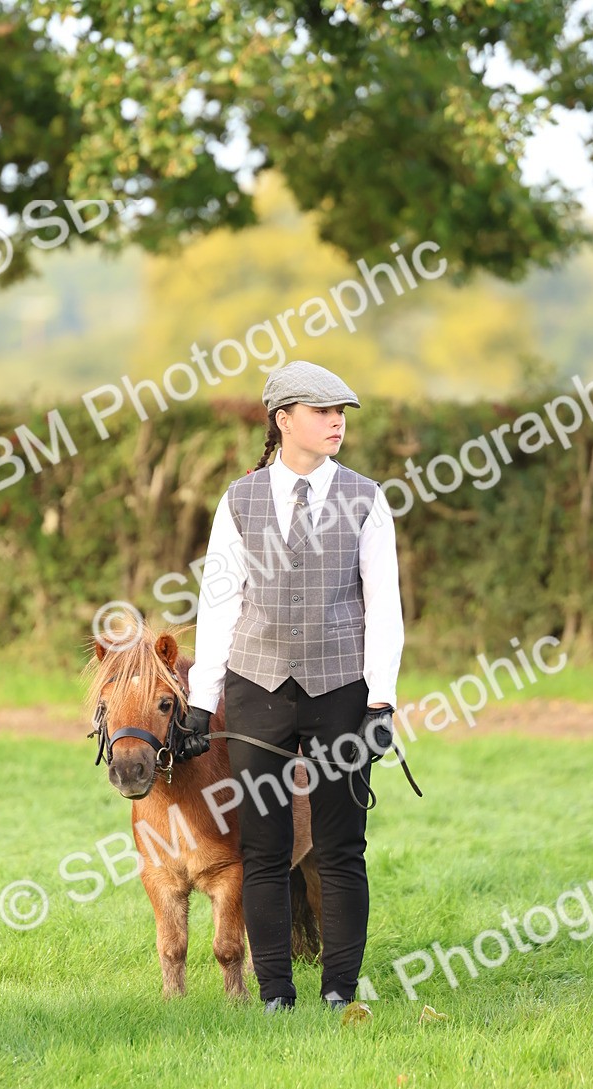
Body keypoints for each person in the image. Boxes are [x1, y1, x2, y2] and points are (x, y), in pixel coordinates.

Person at [181, 360, 404, 1013]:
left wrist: (381, 700)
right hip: (257, 687)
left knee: (341, 845)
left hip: (341, 689)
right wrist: (201, 702)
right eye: (322, 411)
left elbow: (384, 608)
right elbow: (218, 603)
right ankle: (275, 992)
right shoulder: (240, 499)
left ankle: (339, 989)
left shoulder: (367, 498)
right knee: (264, 846)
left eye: (342, 412)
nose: (337, 422)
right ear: (283, 419)